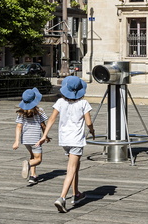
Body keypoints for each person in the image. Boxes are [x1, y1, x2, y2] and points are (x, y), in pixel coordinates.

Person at [39, 75, 94, 213]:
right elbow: (88, 122)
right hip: (76, 140)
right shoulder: (83, 104)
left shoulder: (60, 102)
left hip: (64, 140)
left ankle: (76, 194)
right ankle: (62, 198)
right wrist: (92, 131)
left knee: (75, 166)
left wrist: (44, 135)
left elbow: (51, 119)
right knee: (71, 169)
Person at [13, 88, 48, 185]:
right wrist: (46, 136)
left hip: (26, 140)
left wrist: (17, 141)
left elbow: (19, 126)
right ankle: (28, 164)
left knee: (33, 155)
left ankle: (33, 176)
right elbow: (43, 125)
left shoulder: (21, 112)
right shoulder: (39, 111)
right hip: (36, 139)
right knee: (38, 159)